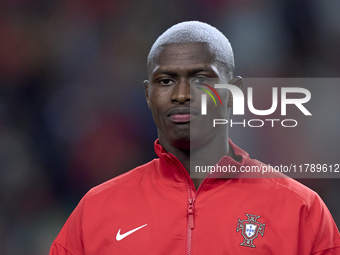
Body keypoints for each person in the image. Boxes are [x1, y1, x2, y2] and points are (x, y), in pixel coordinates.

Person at [50, 21, 340, 255]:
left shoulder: (300, 210)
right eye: (165, 81)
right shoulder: (95, 212)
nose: (182, 95)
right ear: (148, 95)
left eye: (201, 79)